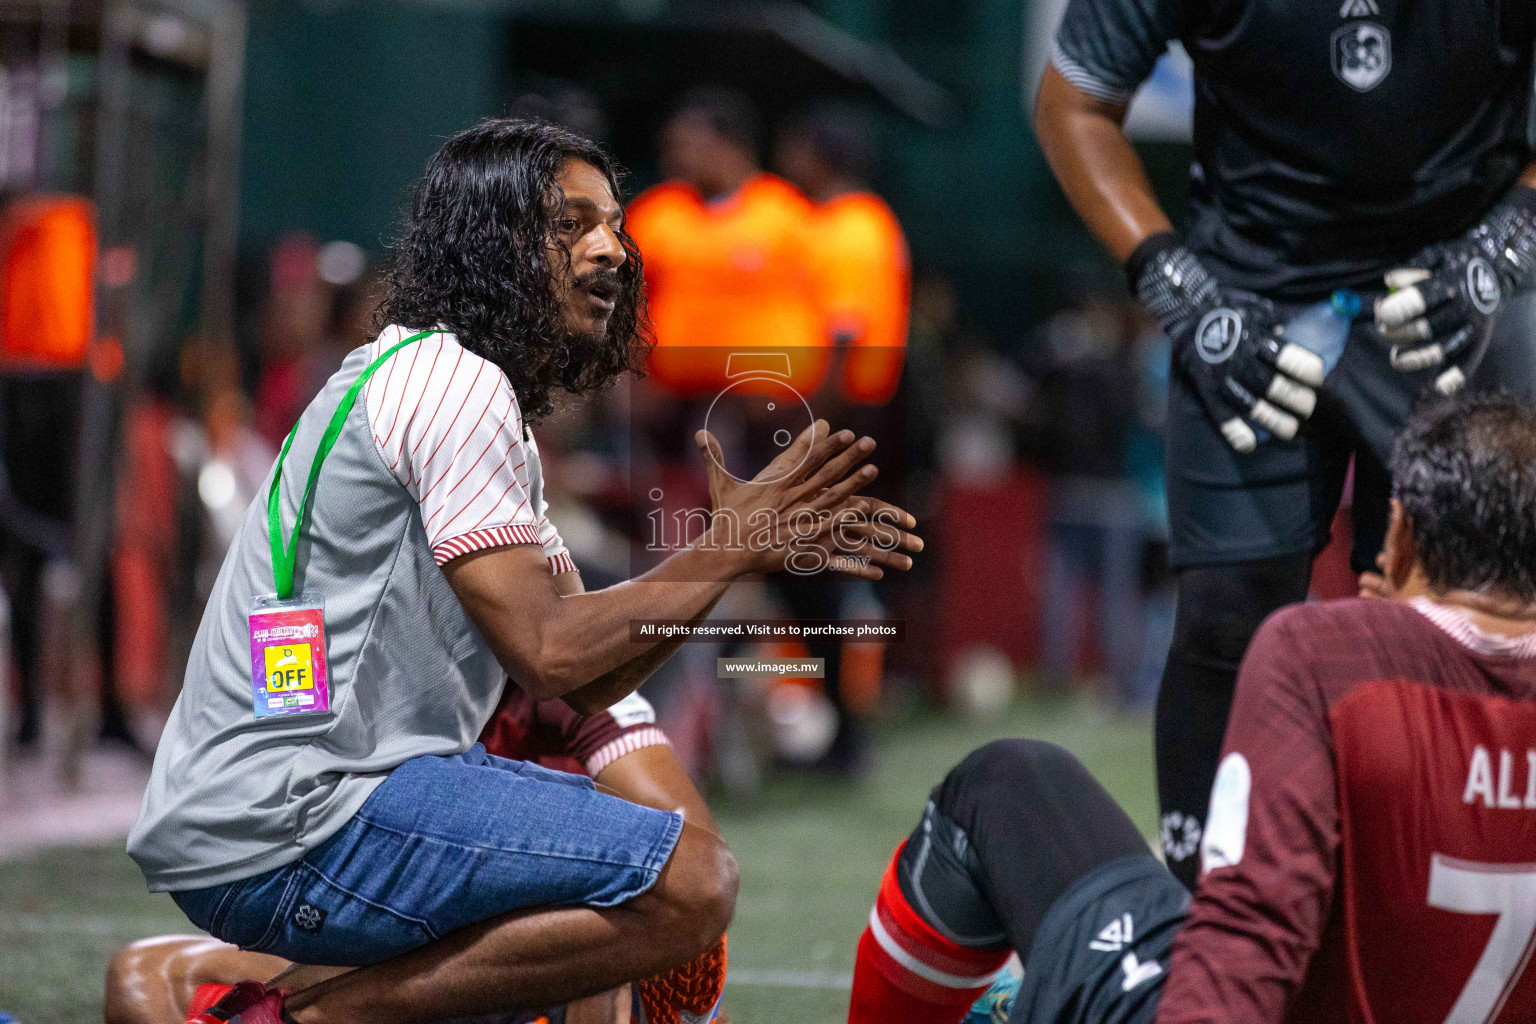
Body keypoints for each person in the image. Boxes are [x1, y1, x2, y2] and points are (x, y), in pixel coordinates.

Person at [126, 118, 921, 1024]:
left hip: (274, 807)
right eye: (570, 224)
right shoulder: (455, 384)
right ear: (489, 245)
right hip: (308, 819)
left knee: (598, 907)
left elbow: (592, 682)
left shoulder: (434, 378)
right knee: (690, 884)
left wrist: (729, 552)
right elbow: (549, 653)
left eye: (614, 225)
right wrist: (729, 544)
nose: (611, 250)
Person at [1035, 0, 1536, 886]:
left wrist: (1512, 243)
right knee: (1228, 614)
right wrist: (1173, 284)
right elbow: (1073, 104)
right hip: (1250, 293)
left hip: (1461, 278)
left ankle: (1445, 899)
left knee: (1467, 611)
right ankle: (1201, 912)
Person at [847, 390, 1536, 1023]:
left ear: (1403, 535)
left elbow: (1251, 932)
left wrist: (1381, 644)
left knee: (1004, 782)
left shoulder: (1327, 655)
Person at [107, 691, 718, 1024]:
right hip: (392, 932)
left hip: (532, 965)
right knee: (140, 984)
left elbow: (691, 867)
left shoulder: (572, 692)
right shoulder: (372, 661)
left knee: (631, 918)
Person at [625, 87, 824, 398]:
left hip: (765, 400)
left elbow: (823, 305)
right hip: (671, 397)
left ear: (732, 146)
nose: (676, 156)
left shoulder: (785, 212)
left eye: (689, 145)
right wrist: (632, 376)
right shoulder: (657, 211)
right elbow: (628, 300)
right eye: (672, 146)